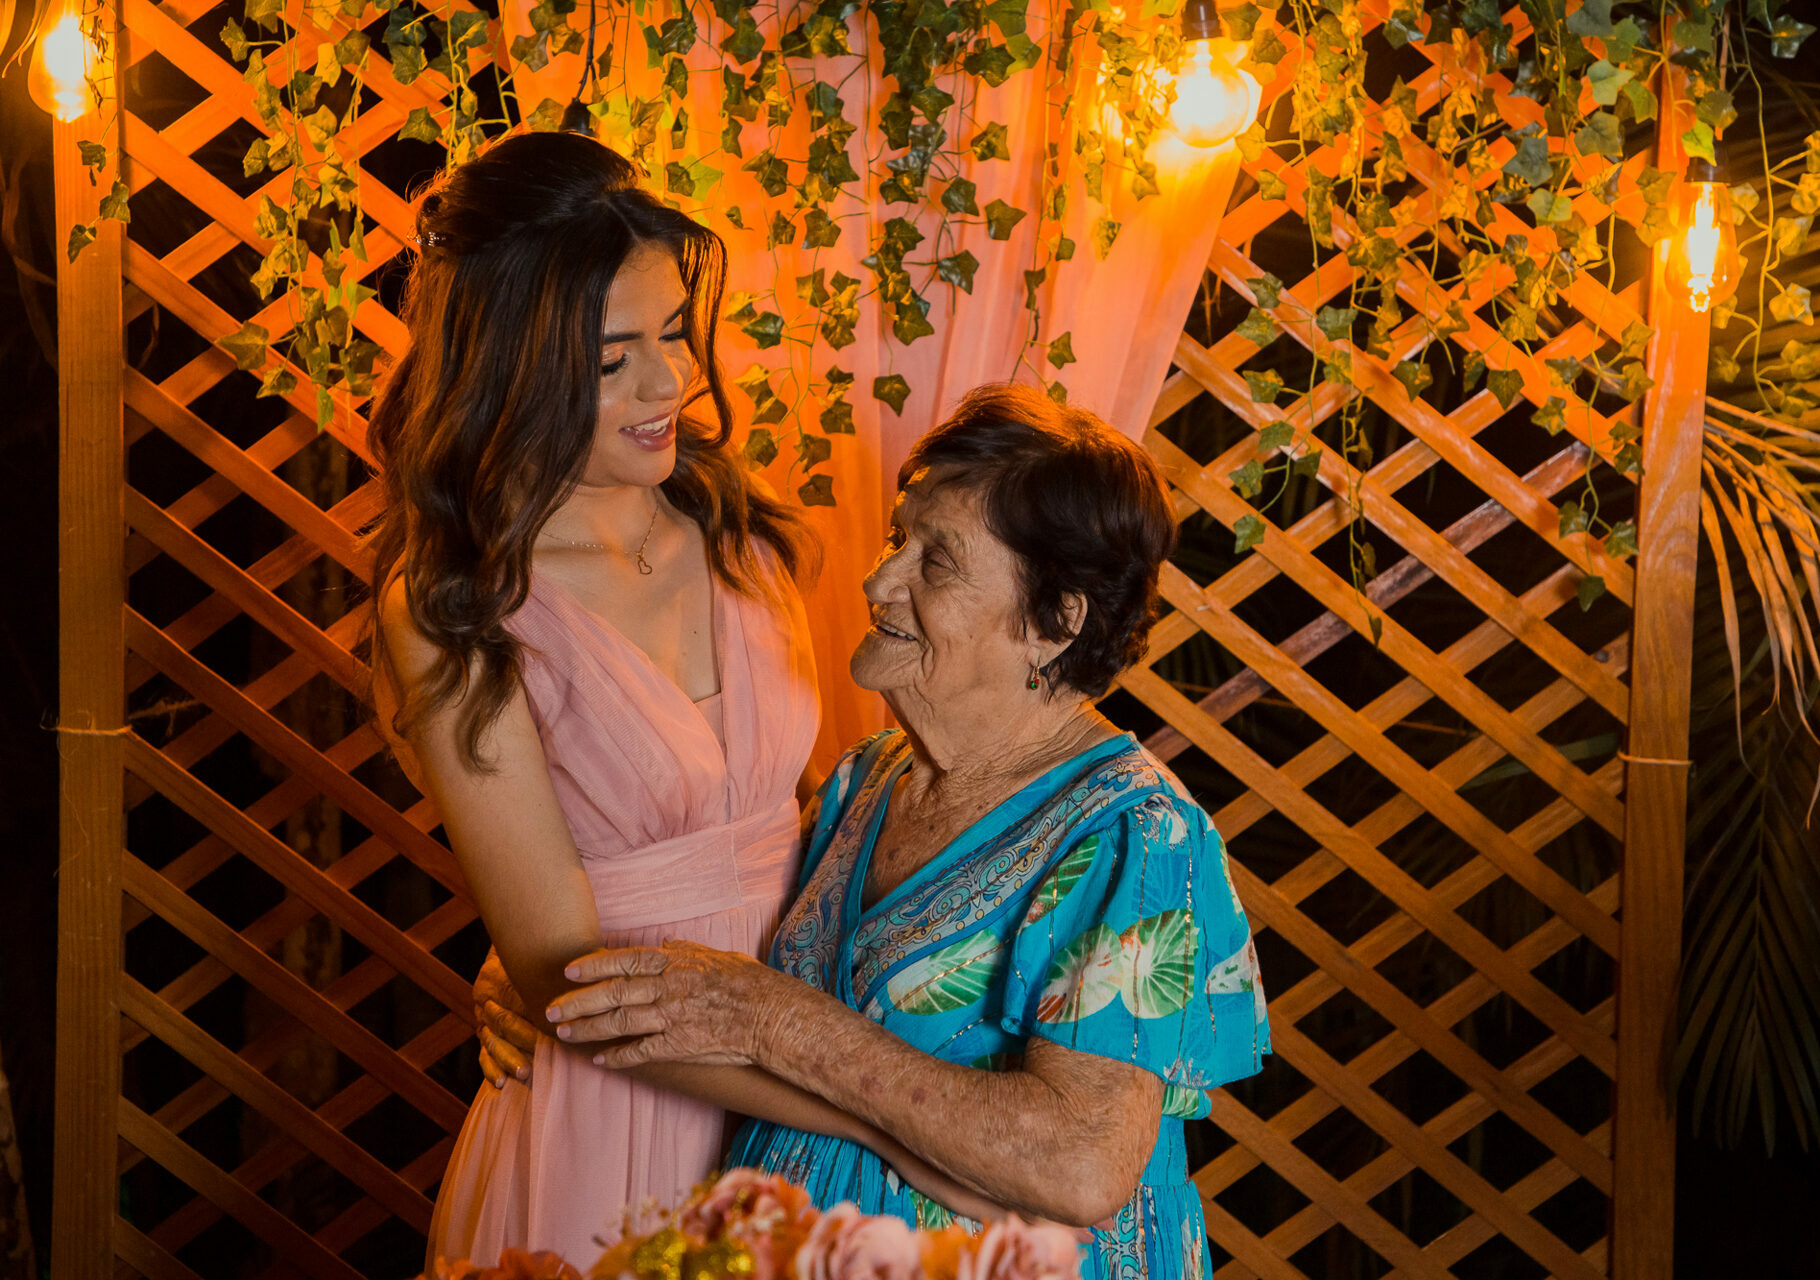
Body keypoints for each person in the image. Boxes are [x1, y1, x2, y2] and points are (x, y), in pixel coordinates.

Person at [369, 129, 986, 1265]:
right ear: (509, 368)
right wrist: (886, 1119)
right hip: (629, 1114)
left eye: (672, 332)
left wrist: (893, 1071)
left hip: (814, 1075)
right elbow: (569, 982)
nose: (670, 383)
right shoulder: (458, 605)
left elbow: (811, 822)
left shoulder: (732, 521)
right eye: (612, 361)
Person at [487, 386, 1271, 1279]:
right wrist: (538, 953)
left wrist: (783, 1024)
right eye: (900, 537)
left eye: (936, 562)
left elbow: (1080, 1164)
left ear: (1054, 622)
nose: (879, 580)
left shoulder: (1134, 835)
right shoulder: (866, 779)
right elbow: (714, 899)